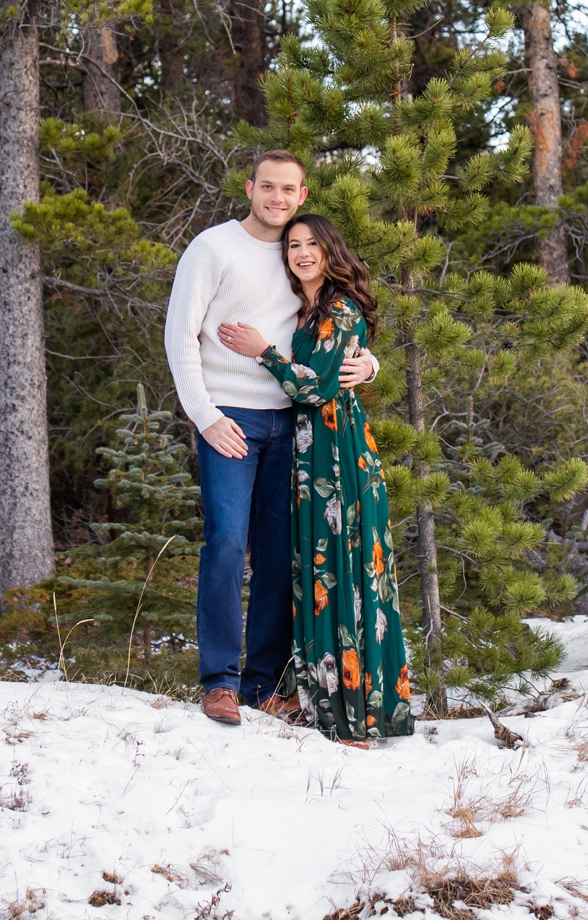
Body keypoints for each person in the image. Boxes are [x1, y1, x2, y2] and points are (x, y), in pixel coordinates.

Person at [165, 150, 376, 727]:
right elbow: (179, 336)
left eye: (289, 189)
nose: (277, 198)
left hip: (294, 423)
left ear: (302, 195)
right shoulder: (213, 248)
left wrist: (369, 363)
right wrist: (204, 415)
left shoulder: (300, 251)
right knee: (228, 542)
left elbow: (326, 319)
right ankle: (219, 682)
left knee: (284, 556)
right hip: (229, 417)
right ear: (250, 187)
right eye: (268, 187)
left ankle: (263, 684)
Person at [217, 213, 413, 748]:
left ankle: (356, 716)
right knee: (319, 572)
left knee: (344, 572)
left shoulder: (340, 309)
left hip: (339, 455)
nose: (302, 253)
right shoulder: (306, 309)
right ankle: (325, 701)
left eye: (312, 245)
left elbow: (317, 388)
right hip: (312, 456)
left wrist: (263, 352)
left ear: (331, 251)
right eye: (293, 245)